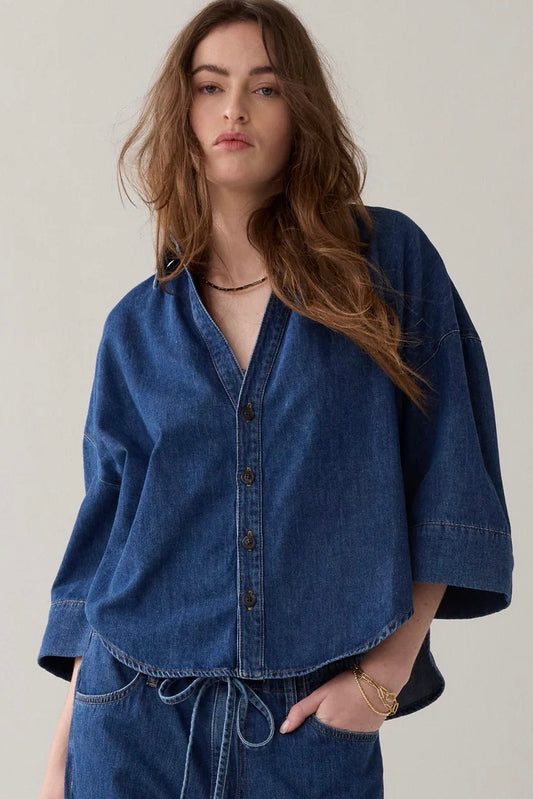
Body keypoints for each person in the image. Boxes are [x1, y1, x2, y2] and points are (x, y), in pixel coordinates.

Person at [37, 2, 514, 798]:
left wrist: (381, 679)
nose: (233, 109)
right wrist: (60, 757)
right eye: (209, 86)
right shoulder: (135, 327)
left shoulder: (384, 265)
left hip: (304, 732)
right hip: (131, 722)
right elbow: (105, 541)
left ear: (301, 112)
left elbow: (450, 470)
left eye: (265, 88)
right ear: (182, 111)